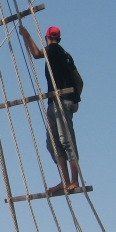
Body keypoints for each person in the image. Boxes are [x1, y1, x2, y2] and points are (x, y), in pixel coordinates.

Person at [19, 24, 84, 193]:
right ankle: (66, 180)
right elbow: (80, 81)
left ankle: (73, 180)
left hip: (60, 102)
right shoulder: (66, 55)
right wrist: (76, 100)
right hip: (59, 102)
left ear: (47, 38)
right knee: (54, 142)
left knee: (63, 141)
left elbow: (36, 53)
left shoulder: (53, 50)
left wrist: (26, 35)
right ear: (58, 38)